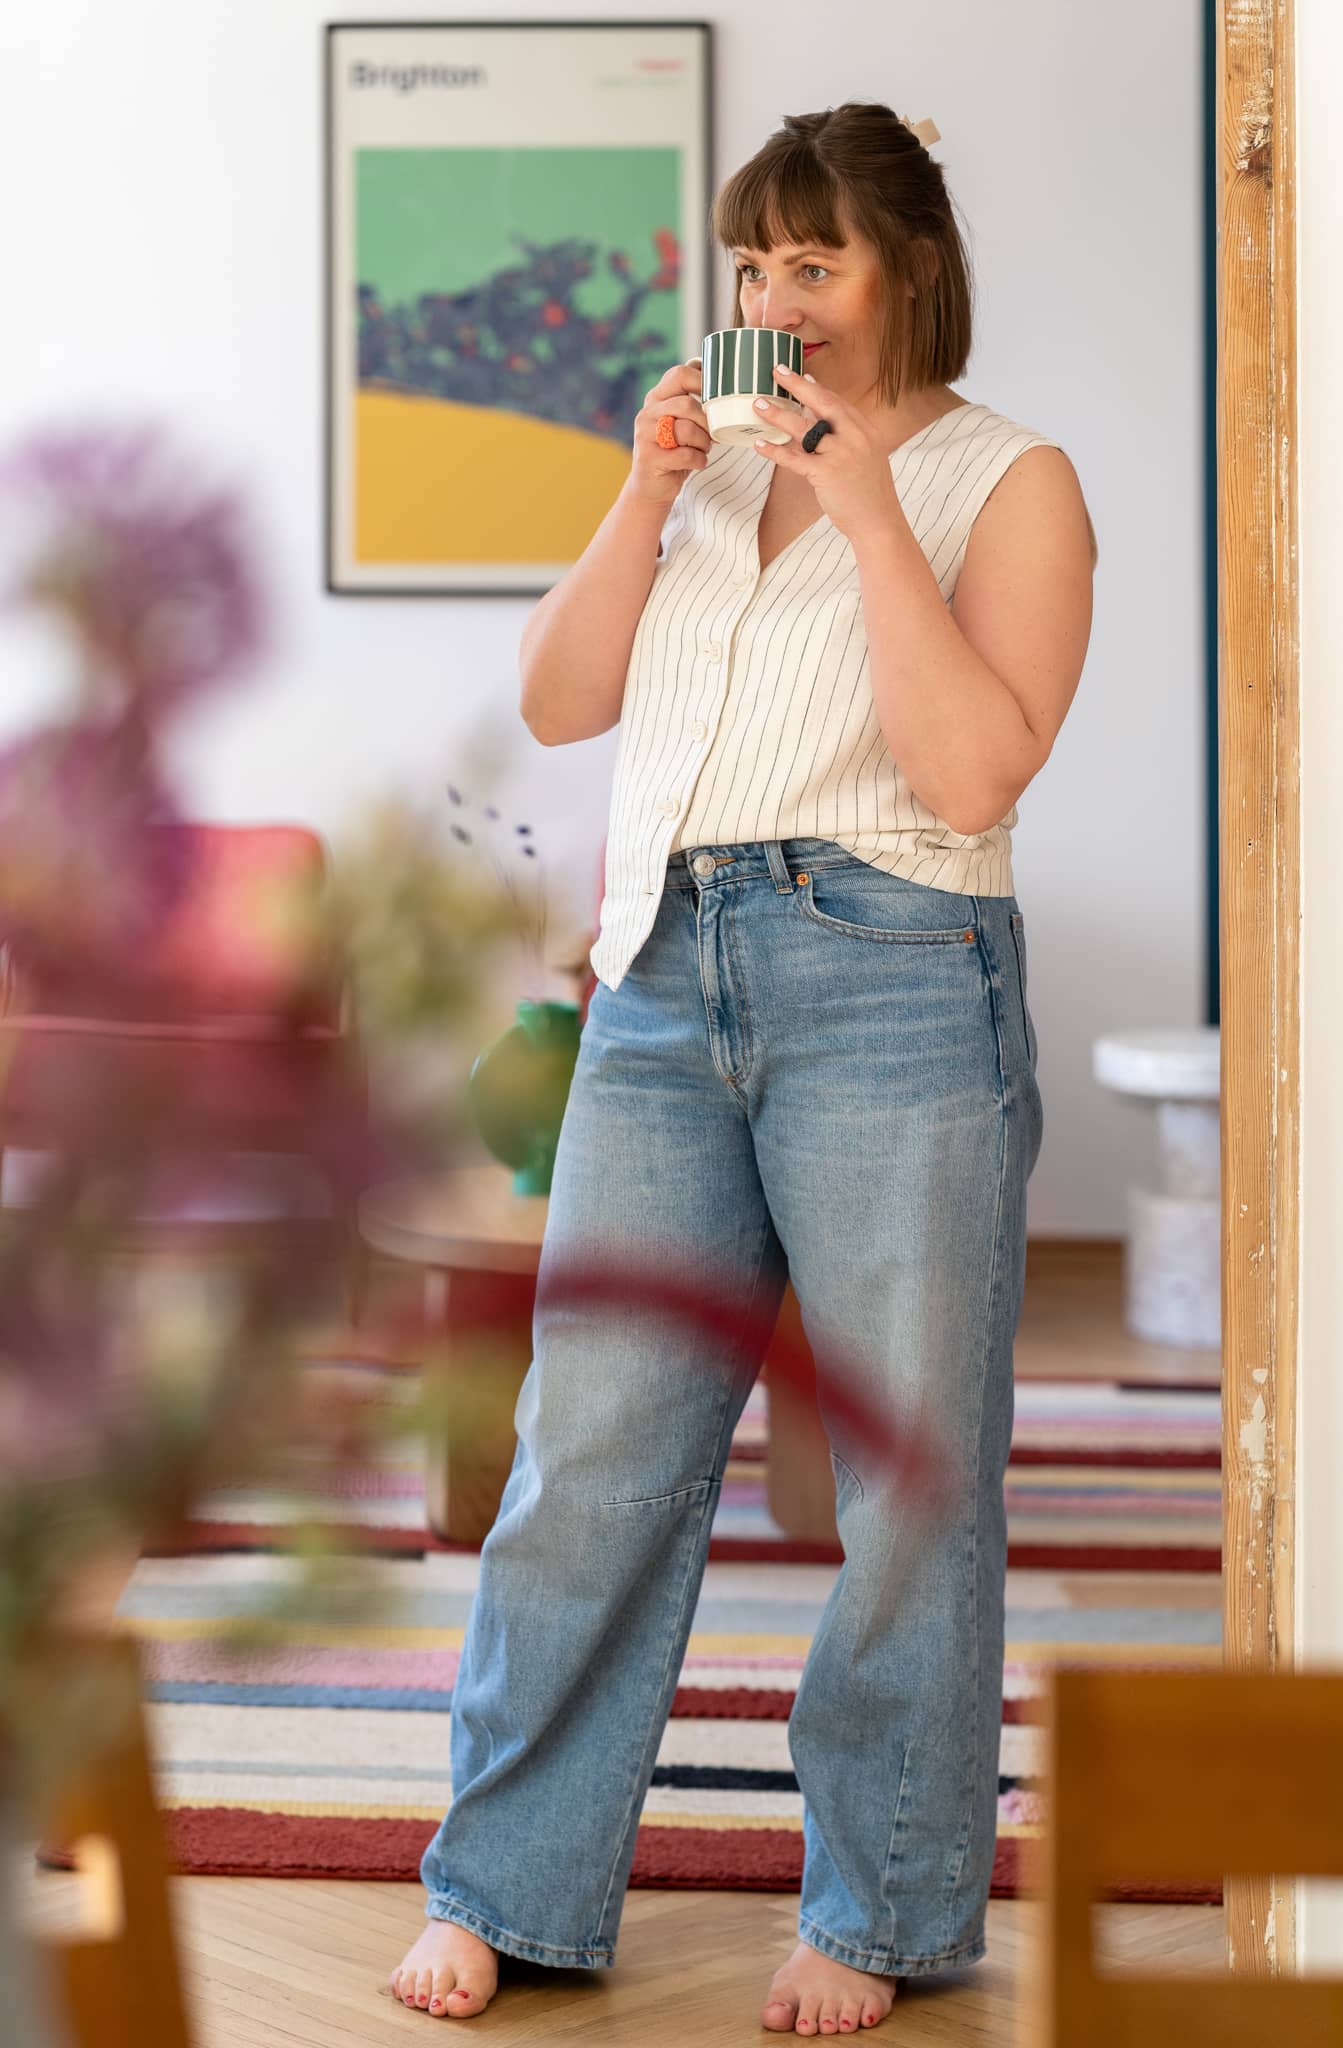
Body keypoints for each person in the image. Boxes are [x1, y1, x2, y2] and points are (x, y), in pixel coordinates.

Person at [389, 99, 1095, 2035]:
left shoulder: (1009, 479)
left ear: (905, 271)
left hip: (894, 972)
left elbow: (975, 772)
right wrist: (640, 496)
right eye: (751, 264)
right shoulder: (697, 477)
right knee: (587, 1455)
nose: (773, 299)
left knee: (906, 1478)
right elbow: (560, 702)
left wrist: (866, 512)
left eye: (814, 262)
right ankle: (511, 1883)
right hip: (658, 975)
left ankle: (883, 1910)